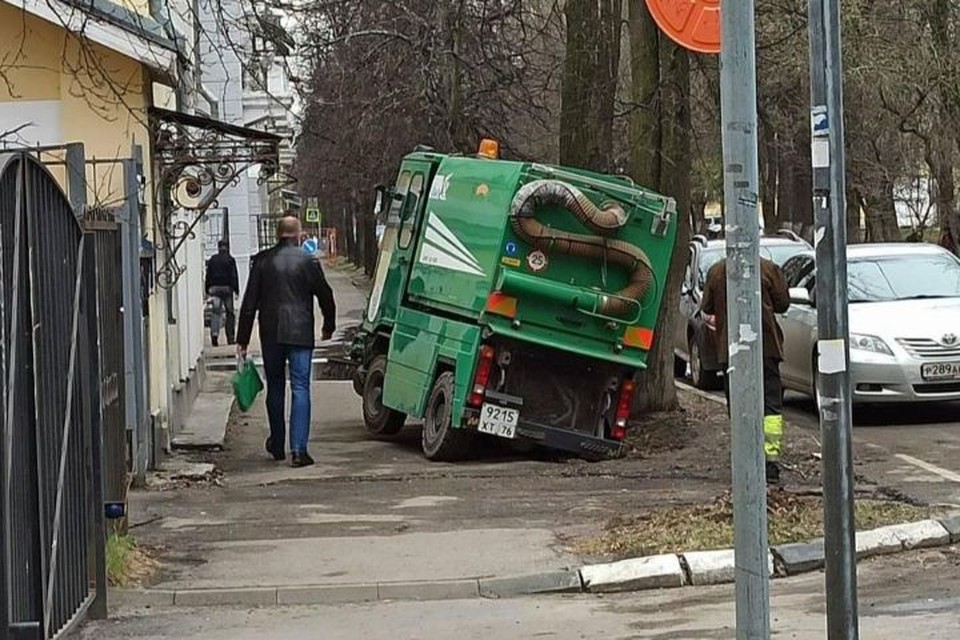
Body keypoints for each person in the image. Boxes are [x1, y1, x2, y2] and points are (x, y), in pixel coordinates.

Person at [236, 217, 337, 468]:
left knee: (276, 386)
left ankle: (278, 444)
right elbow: (326, 295)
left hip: (271, 333)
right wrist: (328, 325)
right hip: (301, 333)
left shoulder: (261, 261)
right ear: (299, 234)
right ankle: (299, 451)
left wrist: (242, 340)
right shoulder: (308, 261)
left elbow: (249, 304)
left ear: (278, 234)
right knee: (301, 387)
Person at [699, 256, 791, 484]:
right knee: (770, 405)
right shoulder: (768, 269)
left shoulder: (718, 271)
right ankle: (770, 462)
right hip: (766, 347)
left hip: (731, 349)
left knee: (738, 404)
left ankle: (744, 457)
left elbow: (707, 307)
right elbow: (783, 303)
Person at [205, 240, 239, 346]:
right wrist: (236, 290)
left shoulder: (212, 260)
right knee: (230, 313)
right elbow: (234, 276)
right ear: (227, 248)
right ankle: (231, 337)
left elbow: (208, 275)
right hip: (227, 289)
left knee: (216, 313)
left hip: (214, 289)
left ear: (218, 247)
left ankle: (214, 335)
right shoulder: (230, 260)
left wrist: (207, 289)